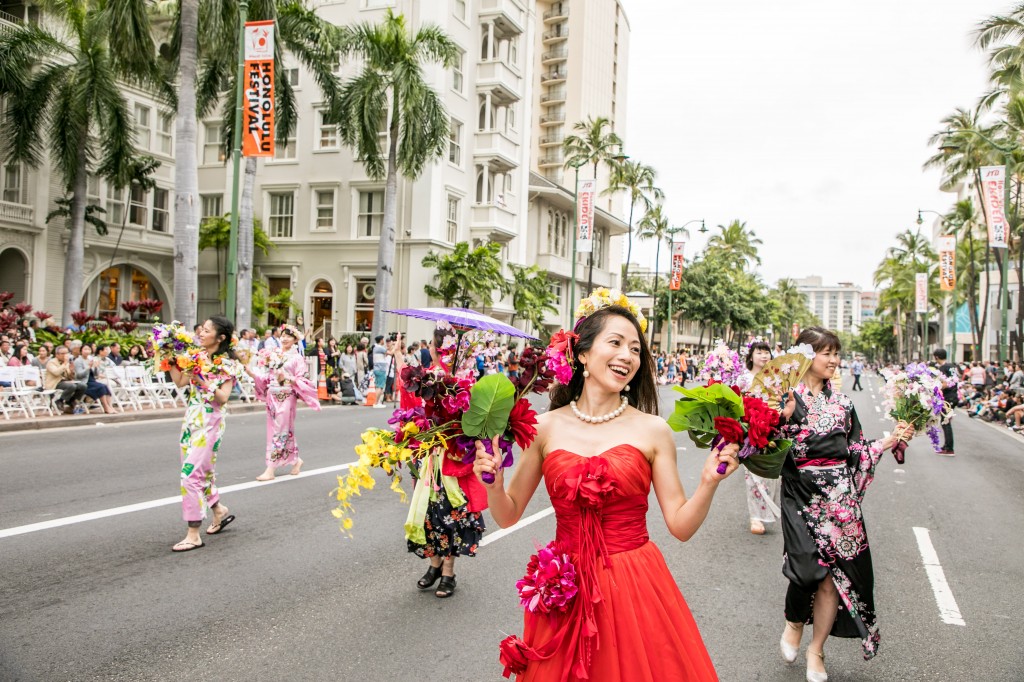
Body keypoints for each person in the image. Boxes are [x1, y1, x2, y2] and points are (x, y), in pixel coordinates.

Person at [474, 299, 740, 681]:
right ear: (582, 353)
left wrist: (708, 483)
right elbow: (508, 514)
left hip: (634, 585)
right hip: (563, 586)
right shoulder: (544, 428)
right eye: (615, 343)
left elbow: (680, 526)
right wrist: (496, 485)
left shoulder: (653, 430)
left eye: (635, 349)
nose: (627, 356)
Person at [776, 327, 912, 682]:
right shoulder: (782, 396)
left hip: (840, 500)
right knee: (806, 569)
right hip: (800, 494)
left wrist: (888, 441)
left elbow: (855, 451)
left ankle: (816, 651)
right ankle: (793, 621)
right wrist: (782, 419)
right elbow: (765, 445)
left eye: (837, 354)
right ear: (806, 355)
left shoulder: (843, 404)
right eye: (827, 353)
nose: (835, 361)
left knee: (831, 580)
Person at [408, 326, 490, 599]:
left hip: (454, 455)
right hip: (433, 454)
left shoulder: (464, 377)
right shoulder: (431, 376)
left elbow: (473, 417)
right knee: (430, 511)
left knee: (452, 513)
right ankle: (434, 566)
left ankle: (448, 573)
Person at [168, 316, 242, 552]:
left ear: (220, 338)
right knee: (202, 472)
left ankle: (193, 533)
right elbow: (180, 382)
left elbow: (222, 398)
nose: (201, 332)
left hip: (210, 423)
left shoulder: (226, 364)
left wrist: (201, 378)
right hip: (190, 421)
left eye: (207, 330)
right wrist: (170, 359)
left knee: (190, 476)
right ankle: (218, 510)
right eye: (202, 328)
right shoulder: (194, 356)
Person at [245, 324, 321, 481]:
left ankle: (270, 469)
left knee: (280, 430)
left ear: (295, 339)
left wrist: (286, 378)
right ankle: (296, 459)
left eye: (288, 336)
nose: (284, 338)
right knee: (276, 430)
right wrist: (252, 373)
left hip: (287, 396)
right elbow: (267, 377)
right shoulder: (274, 355)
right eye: (283, 336)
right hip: (272, 396)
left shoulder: (297, 358)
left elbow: (304, 380)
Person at [737, 339, 782, 536]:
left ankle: (767, 510)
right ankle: (755, 517)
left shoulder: (776, 378)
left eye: (766, 352)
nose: (764, 356)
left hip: (772, 428)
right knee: (752, 475)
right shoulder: (743, 379)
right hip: (750, 430)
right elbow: (735, 403)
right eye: (759, 352)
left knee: (773, 474)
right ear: (751, 356)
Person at [74, 343, 115, 414]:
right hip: (84, 382)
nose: (87, 351)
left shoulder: (90, 359)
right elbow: (79, 375)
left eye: (89, 349)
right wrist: (88, 367)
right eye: (85, 349)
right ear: (81, 351)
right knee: (101, 387)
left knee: (105, 387)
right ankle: (106, 407)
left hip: (92, 380)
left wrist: (95, 367)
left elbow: (95, 374)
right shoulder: (78, 361)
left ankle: (110, 406)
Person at [45, 345, 86, 414]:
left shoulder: (66, 362)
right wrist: (64, 364)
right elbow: (56, 373)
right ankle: (60, 400)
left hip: (66, 382)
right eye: (63, 353)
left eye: (67, 353)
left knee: (82, 386)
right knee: (72, 386)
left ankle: (71, 400)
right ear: (57, 354)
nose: (65, 355)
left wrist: (72, 371)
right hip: (55, 383)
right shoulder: (51, 362)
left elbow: (70, 377)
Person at [932, 349, 958, 456]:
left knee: (946, 422)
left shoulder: (942, 368)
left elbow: (945, 383)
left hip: (947, 397)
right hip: (954, 396)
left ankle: (949, 448)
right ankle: (946, 445)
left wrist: (935, 388)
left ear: (937, 357)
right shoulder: (952, 366)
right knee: (946, 421)